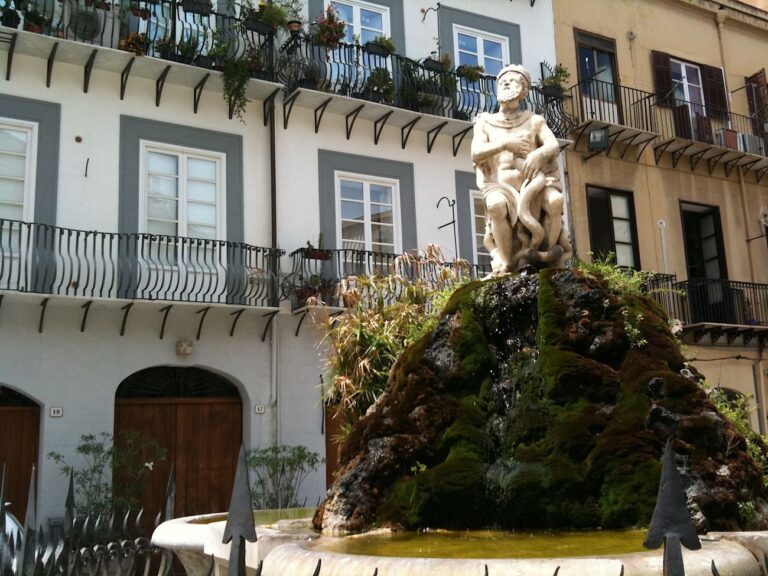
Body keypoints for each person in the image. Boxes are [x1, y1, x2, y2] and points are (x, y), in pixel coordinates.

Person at [471, 64, 571, 274]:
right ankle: (507, 262)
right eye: (502, 82)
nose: (506, 83)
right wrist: (506, 144)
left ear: (524, 90)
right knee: (495, 206)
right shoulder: (485, 123)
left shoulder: (534, 121)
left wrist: (538, 154)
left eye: (513, 80)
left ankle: (544, 257)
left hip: (535, 183)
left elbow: (552, 146)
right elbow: (476, 153)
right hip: (501, 185)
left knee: (555, 202)